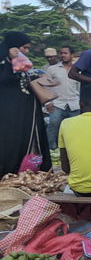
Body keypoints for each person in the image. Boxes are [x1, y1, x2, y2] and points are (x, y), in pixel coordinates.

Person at [0, 32, 52, 178]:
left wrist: (38, 76)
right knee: (12, 140)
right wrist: (10, 59)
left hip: (28, 110)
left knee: (29, 138)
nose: (26, 51)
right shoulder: (3, 59)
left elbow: (24, 76)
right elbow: (6, 79)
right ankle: (10, 173)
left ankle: (32, 172)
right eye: (24, 48)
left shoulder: (23, 61)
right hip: (10, 113)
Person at [46, 46, 80, 149]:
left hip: (74, 104)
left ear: (72, 55)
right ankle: (50, 152)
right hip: (57, 104)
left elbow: (80, 89)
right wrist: (47, 103)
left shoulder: (77, 70)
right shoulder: (52, 69)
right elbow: (46, 86)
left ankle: (74, 150)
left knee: (75, 130)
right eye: (61, 53)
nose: (63, 55)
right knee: (52, 126)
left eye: (65, 53)